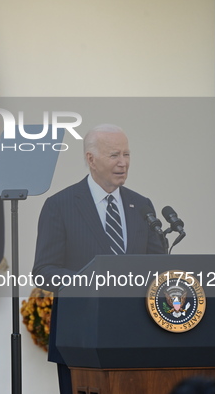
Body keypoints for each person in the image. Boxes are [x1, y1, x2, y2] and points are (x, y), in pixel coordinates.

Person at [31, 124, 166, 393]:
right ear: (91, 159)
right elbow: (44, 270)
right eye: (114, 155)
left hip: (136, 333)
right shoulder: (60, 205)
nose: (123, 163)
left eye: (127, 155)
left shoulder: (141, 205)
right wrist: (89, 281)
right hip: (81, 334)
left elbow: (158, 264)